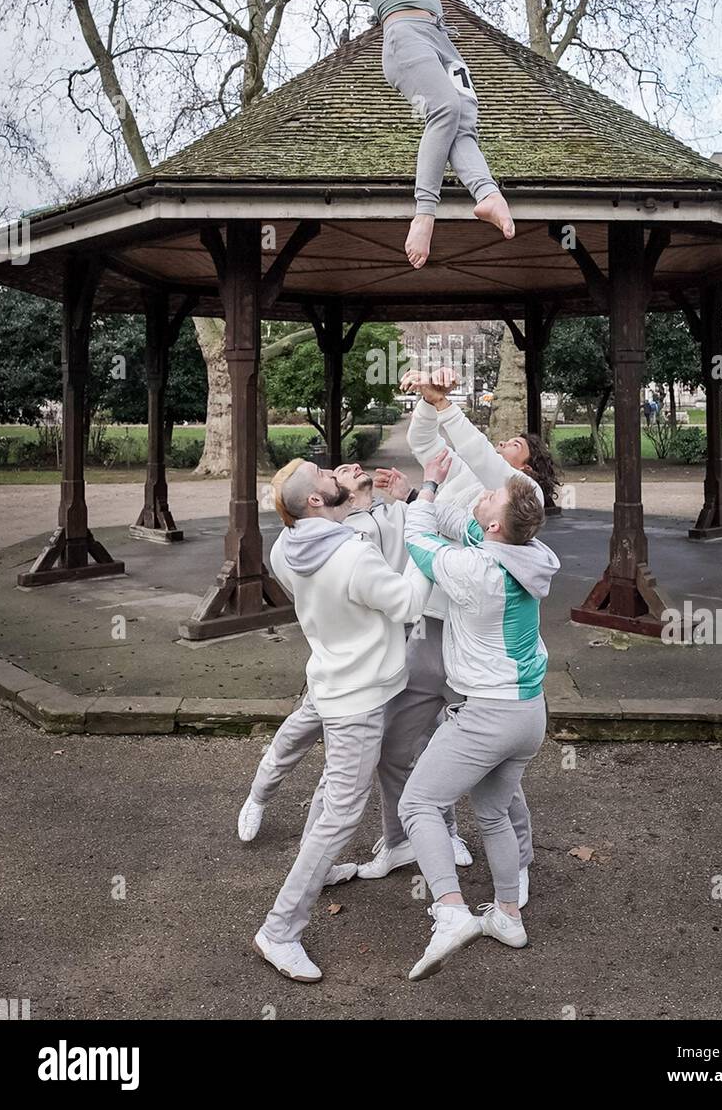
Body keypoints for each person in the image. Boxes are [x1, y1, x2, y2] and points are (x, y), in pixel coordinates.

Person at [356, 367, 558, 903]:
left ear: (528, 471)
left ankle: (518, 864)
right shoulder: (477, 494)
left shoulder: (516, 492)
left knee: (495, 771)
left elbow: (470, 469)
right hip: (432, 626)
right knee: (399, 737)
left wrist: (447, 407)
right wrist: (428, 406)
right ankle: (411, 837)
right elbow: (428, 454)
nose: (499, 447)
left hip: (478, 642)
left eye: (512, 445)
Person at [250, 458, 431, 983]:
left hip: (331, 681)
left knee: (334, 792)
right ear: (315, 499)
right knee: (342, 813)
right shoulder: (353, 555)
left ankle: (323, 869)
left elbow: (336, 563)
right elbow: (409, 605)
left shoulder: (284, 548)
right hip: (361, 696)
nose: (335, 475)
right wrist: (422, 533)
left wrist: (362, 508)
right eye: (326, 477)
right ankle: (280, 930)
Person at [399, 448, 559, 980]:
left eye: (489, 494)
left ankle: (450, 912)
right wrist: (428, 494)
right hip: (529, 712)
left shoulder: (476, 570)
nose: (483, 492)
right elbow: (460, 523)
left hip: (487, 713)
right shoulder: (527, 551)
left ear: (494, 522)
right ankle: (508, 915)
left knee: (418, 803)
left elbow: (418, 543)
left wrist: (427, 485)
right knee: (492, 813)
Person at [344, 0, 515, 269]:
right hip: (404, 39)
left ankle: (486, 193)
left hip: (442, 40)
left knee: (463, 118)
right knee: (444, 109)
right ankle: (424, 213)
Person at [237, 461, 417, 845]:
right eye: (331, 472)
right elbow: (399, 596)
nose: (343, 469)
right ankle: (259, 796)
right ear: (320, 499)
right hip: (341, 670)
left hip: (384, 661)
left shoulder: (392, 512)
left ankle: (408, 838)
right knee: (294, 740)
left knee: (395, 751)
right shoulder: (313, 542)